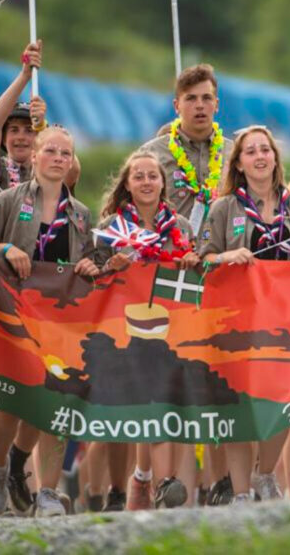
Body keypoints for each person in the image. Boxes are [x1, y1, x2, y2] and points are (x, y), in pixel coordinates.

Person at [0, 125, 98, 518]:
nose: (59, 159)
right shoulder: (8, 199)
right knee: (13, 400)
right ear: (34, 155)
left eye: (66, 153)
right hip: (14, 312)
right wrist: (8, 246)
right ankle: (1, 467)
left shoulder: (80, 214)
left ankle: (47, 490)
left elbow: (92, 261)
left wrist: (91, 264)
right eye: (51, 151)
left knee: (54, 401)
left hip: (61, 319)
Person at [199, 125, 290, 503]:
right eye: (251, 151)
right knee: (240, 407)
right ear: (240, 163)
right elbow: (202, 259)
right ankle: (242, 491)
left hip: (285, 324)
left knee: (284, 403)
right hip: (236, 323)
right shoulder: (224, 207)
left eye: (266, 150)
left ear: (276, 160)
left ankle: (266, 474)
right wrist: (225, 256)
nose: (260, 156)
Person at [90, 151, 200, 511]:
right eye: (138, 176)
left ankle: (161, 480)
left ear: (163, 183)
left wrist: (190, 260)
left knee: (168, 394)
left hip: (173, 321)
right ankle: (141, 476)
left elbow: (197, 267)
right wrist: (111, 266)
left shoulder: (181, 226)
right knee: (144, 398)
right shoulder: (111, 226)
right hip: (128, 325)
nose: (147, 182)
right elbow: (92, 273)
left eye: (153, 175)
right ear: (127, 184)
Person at [140, 64, 233, 234]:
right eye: (191, 98)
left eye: (207, 98)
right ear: (177, 106)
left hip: (222, 255)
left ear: (216, 104)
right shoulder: (151, 154)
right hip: (169, 254)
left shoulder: (235, 154)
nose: (200, 105)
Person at [0, 42, 47, 196]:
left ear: (38, 138)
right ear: (3, 139)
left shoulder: (48, 170)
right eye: (14, 130)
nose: (21, 137)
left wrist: (42, 127)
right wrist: (24, 76)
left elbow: (73, 168)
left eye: (29, 130)